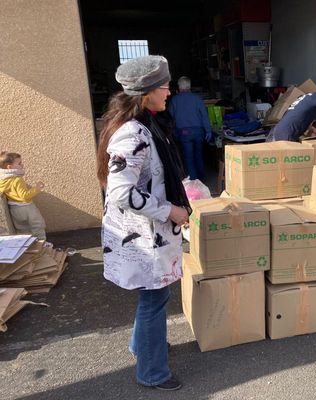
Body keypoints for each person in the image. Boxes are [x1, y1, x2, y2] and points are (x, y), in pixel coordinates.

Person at [96, 55, 190, 391]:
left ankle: (143, 347)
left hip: (149, 234)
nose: (169, 91)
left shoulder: (147, 124)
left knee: (154, 298)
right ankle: (152, 373)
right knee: (154, 300)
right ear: (145, 92)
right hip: (143, 236)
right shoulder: (133, 133)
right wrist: (170, 211)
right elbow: (121, 193)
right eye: (164, 86)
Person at [167, 76, 213, 181]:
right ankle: (201, 179)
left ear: (179, 87)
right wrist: (208, 130)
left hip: (184, 132)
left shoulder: (174, 100)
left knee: (188, 157)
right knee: (199, 155)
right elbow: (204, 115)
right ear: (190, 86)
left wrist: (172, 132)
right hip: (198, 132)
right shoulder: (197, 98)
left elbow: (170, 118)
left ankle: (193, 180)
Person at [0, 152, 47, 240]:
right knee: (38, 225)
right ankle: (41, 244)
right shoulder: (17, 179)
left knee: (22, 229)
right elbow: (24, 196)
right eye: (19, 163)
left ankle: (27, 246)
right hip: (26, 207)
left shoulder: (3, 179)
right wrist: (37, 188)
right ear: (9, 167)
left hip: (14, 208)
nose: (22, 164)